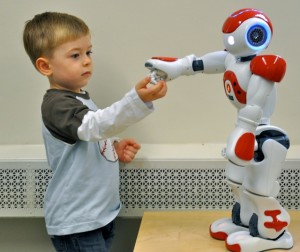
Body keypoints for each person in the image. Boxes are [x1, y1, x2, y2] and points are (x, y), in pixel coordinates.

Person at [23, 12, 167, 252]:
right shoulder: (57, 105)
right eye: (75, 55)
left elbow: (90, 136)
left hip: (96, 216)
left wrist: (114, 147)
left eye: (88, 52)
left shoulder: (78, 100)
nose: (87, 60)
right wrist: (135, 100)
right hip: (78, 222)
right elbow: (94, 126)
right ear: (45, 66)